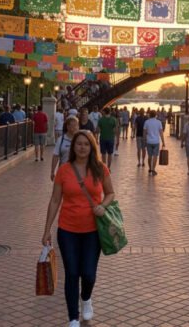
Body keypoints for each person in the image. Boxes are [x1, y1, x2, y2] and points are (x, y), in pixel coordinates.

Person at [42, 131, 115, 327]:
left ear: (92, 147)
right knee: (72, 273)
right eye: (78, 144)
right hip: (68, 230)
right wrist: (47, 228)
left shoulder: (100, 169)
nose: (82, 147)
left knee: (89, 274)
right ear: (73, 147)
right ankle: (73, 317)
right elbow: (55, 200)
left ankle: (86, 299)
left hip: (93, 231)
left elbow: (110, 193)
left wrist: (103, 206)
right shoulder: (64, 170)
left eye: (86, 144)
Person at [51, 116, 79, 181]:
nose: (75, 128)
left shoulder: (80, 139)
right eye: (73, 125)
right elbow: (55, 156)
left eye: (76, 125)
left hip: (78, 172)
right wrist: (53, 171)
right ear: (67, 126)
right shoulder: (61, 139)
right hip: (64, 171)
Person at [143, 110, 165, 176]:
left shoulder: (146, 122)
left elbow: (144, 132)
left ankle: (150, 168)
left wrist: (145, 140)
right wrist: (163, 142)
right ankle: (153, 169)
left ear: (149, 115)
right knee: (155, 156)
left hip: (149, 141)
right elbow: (161, 133)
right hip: (156, 141)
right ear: (156, 115)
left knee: (149, 156)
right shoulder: (159, 122)